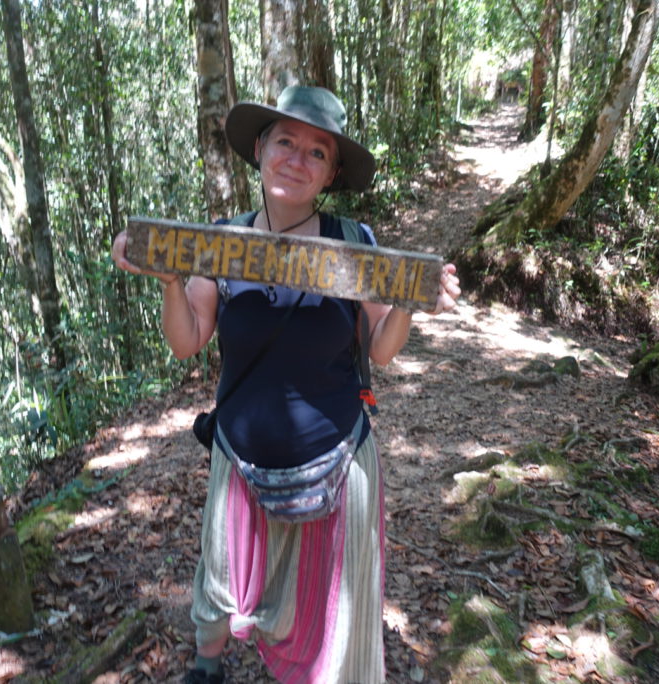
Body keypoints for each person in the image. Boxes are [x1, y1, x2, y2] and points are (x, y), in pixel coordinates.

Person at [112, 85, 461, 684]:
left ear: (329, 175)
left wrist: (409, 302)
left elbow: (381, 347)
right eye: (285, 142)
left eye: (317, 153)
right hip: (239, 462)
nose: (297, 159)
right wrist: (170, 279)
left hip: (336, 458)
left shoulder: (357, 247)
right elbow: (187, 338)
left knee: (327, 610)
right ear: (260, 149)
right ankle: (207, 663)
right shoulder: (221, 242)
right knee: (222, 577)